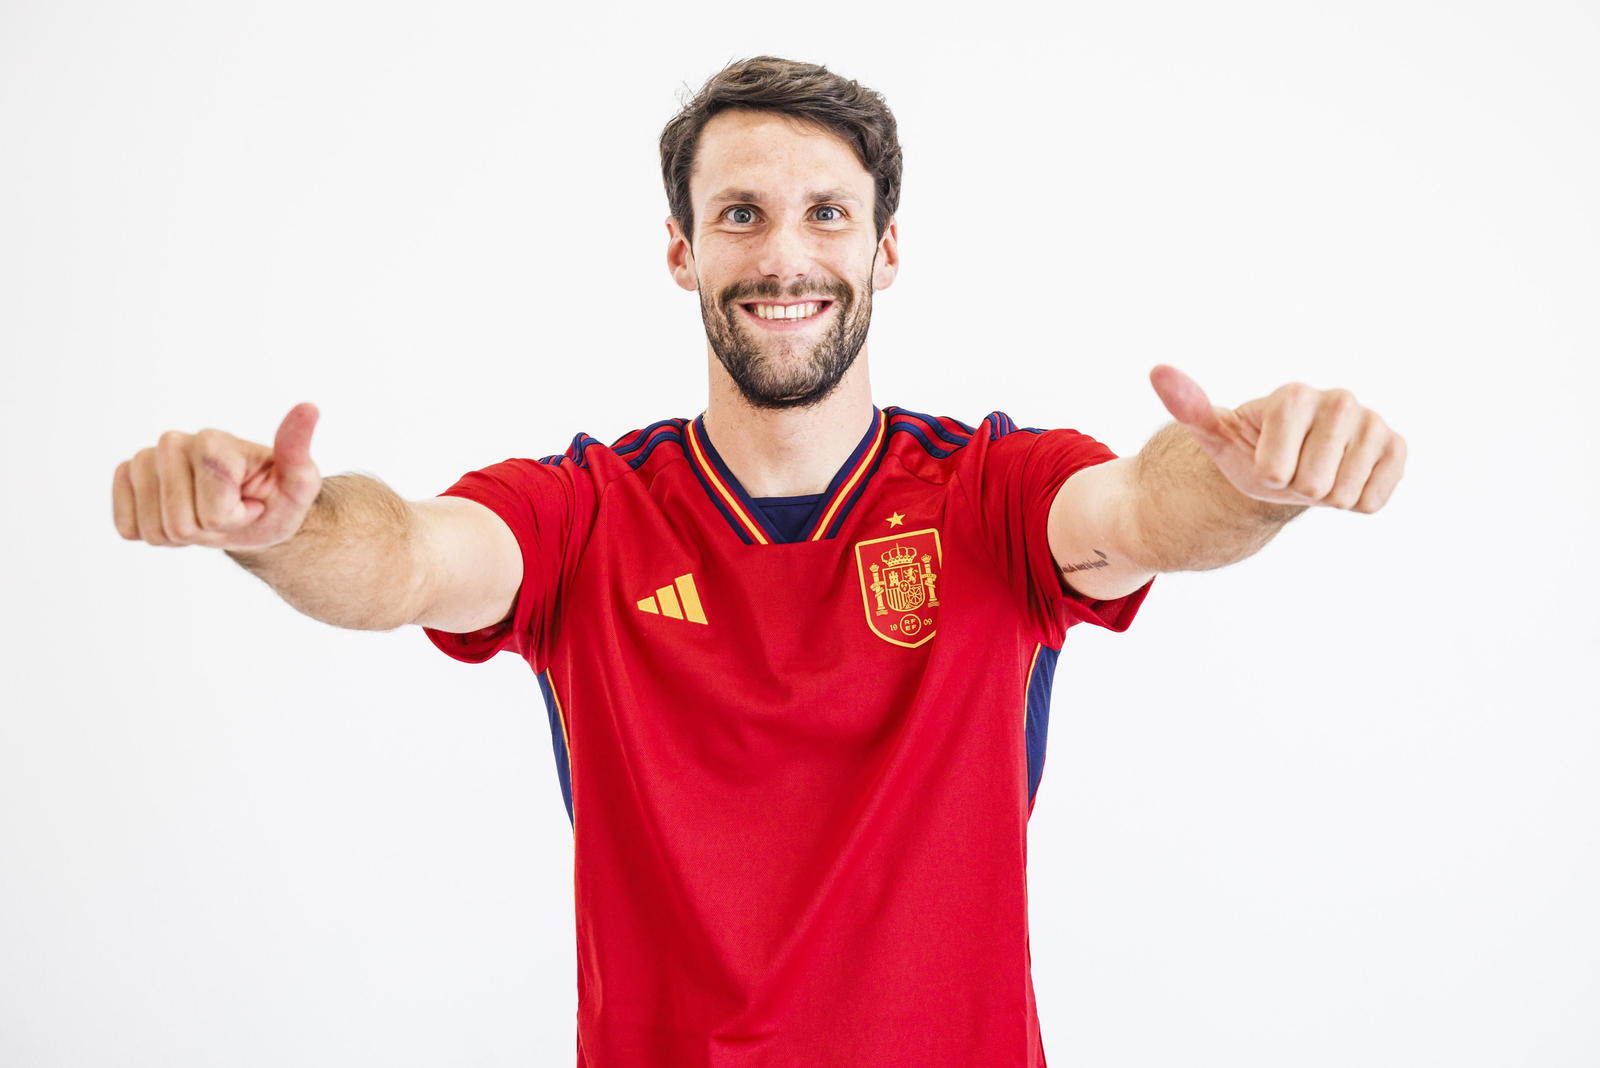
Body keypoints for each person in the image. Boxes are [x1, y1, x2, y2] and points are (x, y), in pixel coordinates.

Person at [110, 55, 1405, 1068]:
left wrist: (1249, 480)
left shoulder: (993, 493)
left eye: (826, 214)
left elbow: (1143, 508)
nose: (785, 253)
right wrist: (288, 529)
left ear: (884, 250)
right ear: (682, 251)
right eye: (741, 215)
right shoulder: (587, 514)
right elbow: (402, 558)